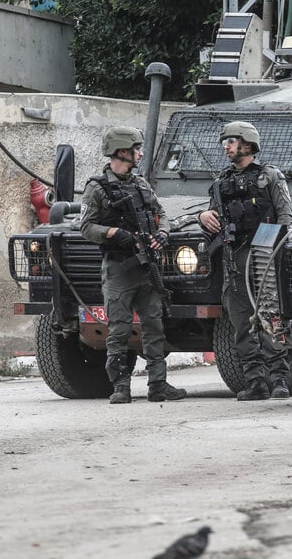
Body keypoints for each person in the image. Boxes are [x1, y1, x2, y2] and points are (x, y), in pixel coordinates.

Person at [79, 126, 187, 404]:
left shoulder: (141, 185)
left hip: (145, 267)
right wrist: (115, 234)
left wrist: (162, 234)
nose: (140, 153)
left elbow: (161, 214)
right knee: (119, 328)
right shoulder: (97, 188)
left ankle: (158, 385)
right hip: (118, 268)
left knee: (154, 325)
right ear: (123, 152)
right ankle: (120, 386)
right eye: (136, 149)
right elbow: (87, 228)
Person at [198, 121, 292, 401]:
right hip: (232, 258)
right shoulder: (221, 182)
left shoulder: (270, 177)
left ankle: (279, 379)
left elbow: (286, 216)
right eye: (224, 142)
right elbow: (212, 215)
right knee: (241, 323)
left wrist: (270, 248)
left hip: (263, 254)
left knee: (269, 316)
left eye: (231, 141)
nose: (226, 147)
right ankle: (255, 381)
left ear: (248, 145)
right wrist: (202, 217)